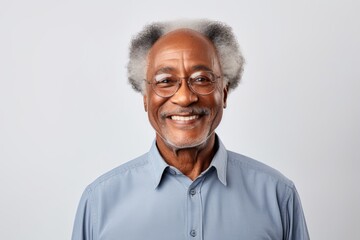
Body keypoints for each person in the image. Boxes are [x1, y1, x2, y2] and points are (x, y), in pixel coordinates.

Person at [72, 19, 310, 240]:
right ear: (145, 98)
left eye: (201, 79)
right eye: (165, 81)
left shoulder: (278, 195)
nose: (185, 97)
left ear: (224, 93)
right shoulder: (99, 202)